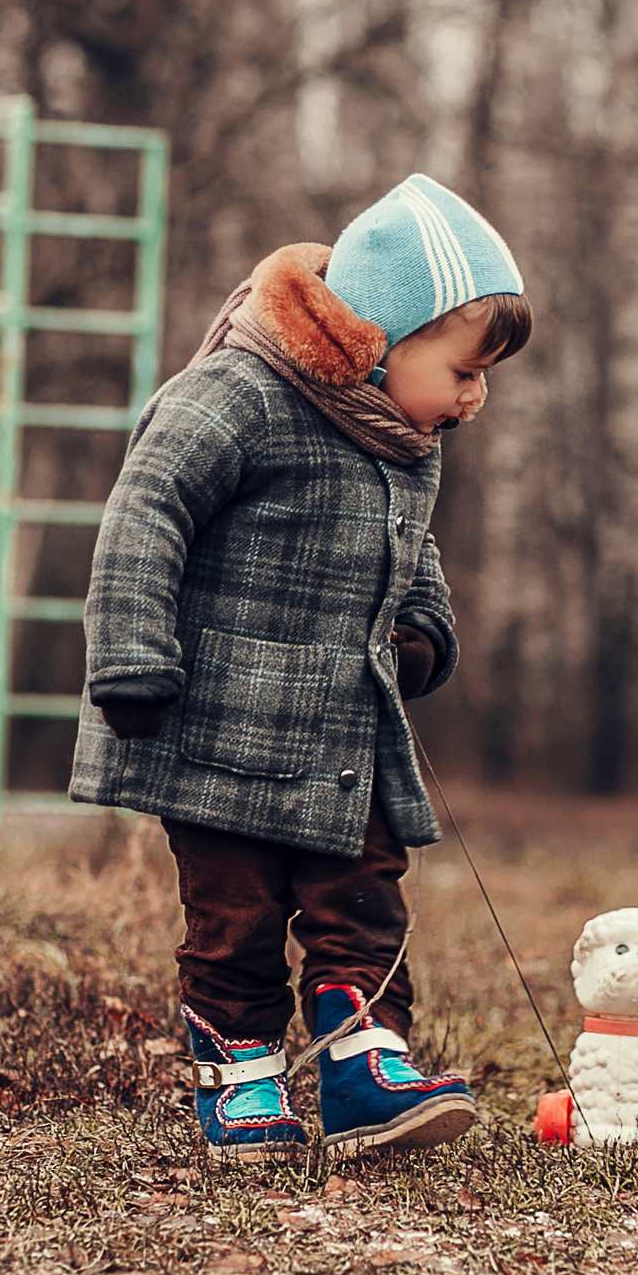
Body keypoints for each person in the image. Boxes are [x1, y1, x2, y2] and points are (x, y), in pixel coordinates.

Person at [70, 174, 530, 1163]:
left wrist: (424, 632)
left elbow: (412, 550)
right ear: (378, 340)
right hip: (218, 727)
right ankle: (238, 1076)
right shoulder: (236, 397)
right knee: (234, 914)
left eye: (483, 374)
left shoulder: (398, 438)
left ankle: (364, 1064)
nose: (473, 393)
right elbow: (143, 511)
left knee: (363, 894)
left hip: (338, 730)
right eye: (462, 367)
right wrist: (132, 659)